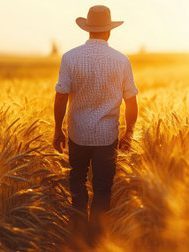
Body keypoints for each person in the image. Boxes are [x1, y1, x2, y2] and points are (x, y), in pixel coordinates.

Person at [52, 5, 138, 246]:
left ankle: (78, 236)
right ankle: (96, 240)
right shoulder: (121, 60)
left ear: (88, 30)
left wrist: (58, 129)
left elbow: (60, 96)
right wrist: (129, 132)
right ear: (109, 32)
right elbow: (131, 100)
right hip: (107, 137)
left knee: (77, 181)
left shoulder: (70, 57)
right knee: (102, 188)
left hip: (77, 134)